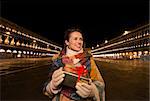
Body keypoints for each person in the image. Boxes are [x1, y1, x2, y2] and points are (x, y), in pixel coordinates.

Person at [43, 27, 105, 101]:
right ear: (67, 42)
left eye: (80, 39)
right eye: (75, 39)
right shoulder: (58, 60)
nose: (79, 42)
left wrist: (93, 91)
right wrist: (52, 86)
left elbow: (100, 84)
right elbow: (46, 86)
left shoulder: (89, 60)